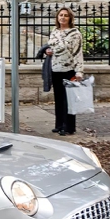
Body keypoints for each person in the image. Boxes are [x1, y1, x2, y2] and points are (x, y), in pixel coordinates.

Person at [47, 7, 85, 136]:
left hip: (69, 68)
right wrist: (49, 51)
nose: (62, 17)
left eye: (66, 15)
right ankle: (59, 124)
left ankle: (68, 127)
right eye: (60, 15)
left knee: (68, 99)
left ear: (70, 18)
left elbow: (77, 52)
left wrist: (79, 71)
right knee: (58, 98)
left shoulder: (75, 34)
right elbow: (52, 47)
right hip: (56, 67)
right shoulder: (54, 31)